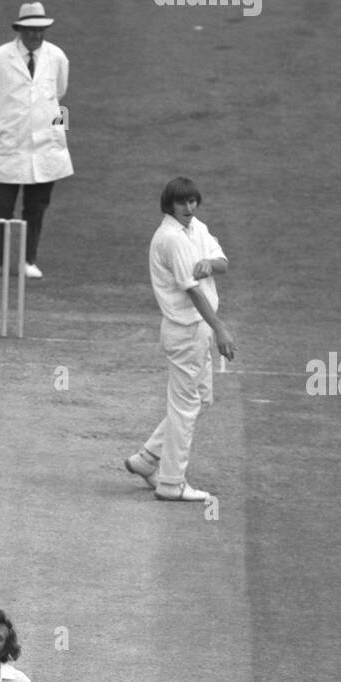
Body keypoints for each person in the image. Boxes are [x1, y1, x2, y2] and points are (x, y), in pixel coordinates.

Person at [126, 177, 237, 503]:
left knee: (198, 400)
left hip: (196, 331)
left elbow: (223, 263)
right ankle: (172, 484)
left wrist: (209, 264)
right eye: (183, 203)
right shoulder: (170, 239)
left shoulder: (196, 228)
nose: (189, 208)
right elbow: (192, 292)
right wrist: (220, 329)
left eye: (193, 201)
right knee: (186, 406)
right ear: (170, 205)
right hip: (186, 331)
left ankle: (146, 460)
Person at [0, 2, 73, 280]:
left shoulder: (57, 56)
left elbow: (58, 95)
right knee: (1, 207)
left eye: (40, 30)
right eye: (30, 30)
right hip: (7, 145)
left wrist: (59, 132)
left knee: (36, 208)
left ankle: (28, 260)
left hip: (45, 147)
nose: (36, 35)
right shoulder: (0, 57)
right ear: (20, 29)